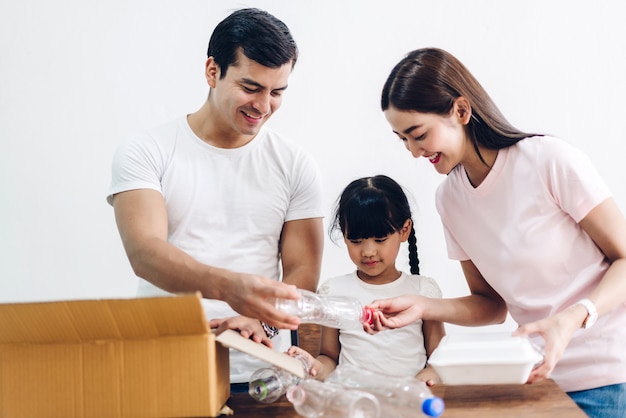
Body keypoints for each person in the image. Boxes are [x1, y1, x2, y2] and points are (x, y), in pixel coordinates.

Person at [366, 47, 626, 417]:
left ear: (460, 110)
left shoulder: (548, 161)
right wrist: (423, 307)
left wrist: (574, 317)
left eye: (418, 134)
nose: (412, 151)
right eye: (402, 139)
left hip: (607, 376)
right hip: (535, 377)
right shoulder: (450, 200)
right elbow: (490, 305)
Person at [107, 8, 325, 385]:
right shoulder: (146, 150)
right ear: (212, 71)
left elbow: (301, 273)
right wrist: (229, 288)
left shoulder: (295, 163)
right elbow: (144, 252)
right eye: (251, 87)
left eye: (277, 92)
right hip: (163, 366)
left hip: (259, 372)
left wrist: (261, 323)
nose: (263, 105)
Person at [289, 175, 445, 384]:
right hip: (353, 404)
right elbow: (329, 358)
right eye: (356, 241)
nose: (368, 251)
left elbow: (437, 361)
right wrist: (315, 366)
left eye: (380, 240)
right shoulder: (334, 290)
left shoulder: (423, 291)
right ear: (344, 236)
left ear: (404, 230)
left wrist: (419, 383)